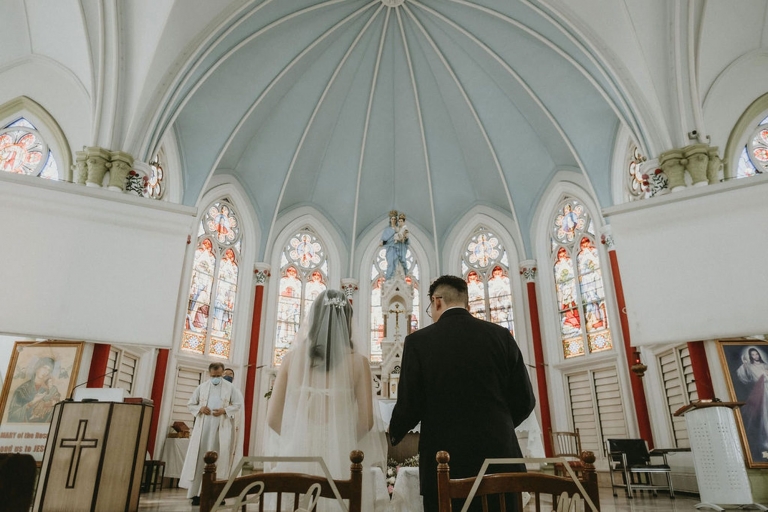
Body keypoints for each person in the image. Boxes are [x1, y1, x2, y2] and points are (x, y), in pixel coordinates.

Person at [389, 275, 536, 512]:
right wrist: (500, 425)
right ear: (466, 303)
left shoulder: (418, 342)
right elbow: (525, 399)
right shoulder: (501, 336)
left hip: (444, 462)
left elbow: (410, 404)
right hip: (499, 458)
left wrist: (395, 430)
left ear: (437, 302)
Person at [266, 289, 387, 511]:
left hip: (297, 457)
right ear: (348, 321)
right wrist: (341, 438)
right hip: (340, 459)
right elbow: (367, 421)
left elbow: (273, 418)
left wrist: (300, 437)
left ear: (314, 319)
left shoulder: (291, 359)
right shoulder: (359, 363)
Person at [179, 362, 244, 506]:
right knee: (199, 460)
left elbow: (238, 404)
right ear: (209, 374)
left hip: (221, 430)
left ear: (222, 373)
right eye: (214, 376)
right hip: (203, 429)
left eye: (219, 375)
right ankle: (196, 494)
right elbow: (191, 404)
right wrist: (200, 408)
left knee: (220, 460)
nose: (216, 378)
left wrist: (225, 410)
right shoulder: (201, 387)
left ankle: (217, 495)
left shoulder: (230, 388)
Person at [736, 347, 768, 462]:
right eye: (753, 355)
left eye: (757, 354)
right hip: (761, 393)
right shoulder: (749, 367)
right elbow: (744, 377)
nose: (756, 356)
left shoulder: (765, 365)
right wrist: (744, 365)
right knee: (765, 417)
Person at [8, 357, 60, 423]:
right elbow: (12, 415)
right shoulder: (22, 389)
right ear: (37, 368)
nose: (46, 372)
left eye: (49, 370)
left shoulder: (52, 389)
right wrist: (33, 402)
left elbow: (58, 410)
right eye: (44, 368)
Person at [393, 212, 410, 276]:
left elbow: (406, 238)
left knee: (402, 259)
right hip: (397, 245)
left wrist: (403, 237)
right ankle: (395, 272)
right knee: (396, 258)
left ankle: (405, 273)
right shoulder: (399, 229)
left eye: (401, 221)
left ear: (403, 222)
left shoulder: (405, 229)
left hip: (402, 246)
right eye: (399, 221)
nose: (400, 222)